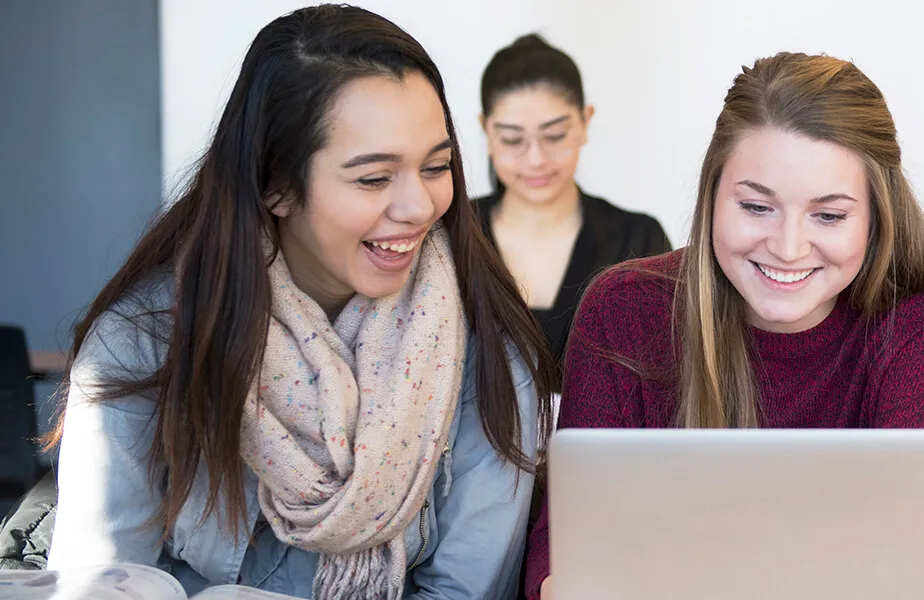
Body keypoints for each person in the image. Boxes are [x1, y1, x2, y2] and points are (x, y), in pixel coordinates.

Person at [46, 6, 557, 598]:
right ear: (275, 184)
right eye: (373, 178)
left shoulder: (487, 349)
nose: (419, 206)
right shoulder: (141, 346)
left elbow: (467, 590)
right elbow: (103, 584)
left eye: (436, 166)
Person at [524, 52, 924, 600]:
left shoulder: (920, 330)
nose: (787, 248)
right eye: (756, 207)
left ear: (877, 214)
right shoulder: (623, 310)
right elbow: (564, 558)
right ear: (713, 194)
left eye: (828, 216)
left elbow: (912, 573)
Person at [474, 33, 671, 378]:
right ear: (486, 132)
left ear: (584, 122)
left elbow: (665, 379)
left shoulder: (639, 241)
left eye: (555, 136)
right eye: (511, 139)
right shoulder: (452, 231)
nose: (535, 159)